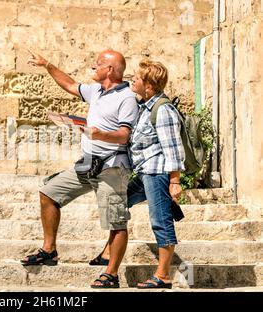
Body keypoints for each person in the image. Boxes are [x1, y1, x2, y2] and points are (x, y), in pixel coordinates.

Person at [20, 49, 139, 289]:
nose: (93, 67)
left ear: (111, 70)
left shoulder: (126, 98)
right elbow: (70, 85)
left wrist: (98, 133)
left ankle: (111, 273)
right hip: (88, 162)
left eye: (98, 64)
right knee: (49, 193)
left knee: (116, 221)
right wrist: (47, 65)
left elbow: (124, 136)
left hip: (112, 165)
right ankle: (49, 250)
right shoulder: (96, 91)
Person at [91, 60, 185, 289]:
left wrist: (174, 181)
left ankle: (163, 275)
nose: (132, 79)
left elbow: (173, 148)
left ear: (149, 86)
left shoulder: (162, 110)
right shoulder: (145, 107)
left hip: (158, 174)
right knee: (119, 203)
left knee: (161, 221)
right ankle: (108, 251)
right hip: (144, 173)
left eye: (137, 78)